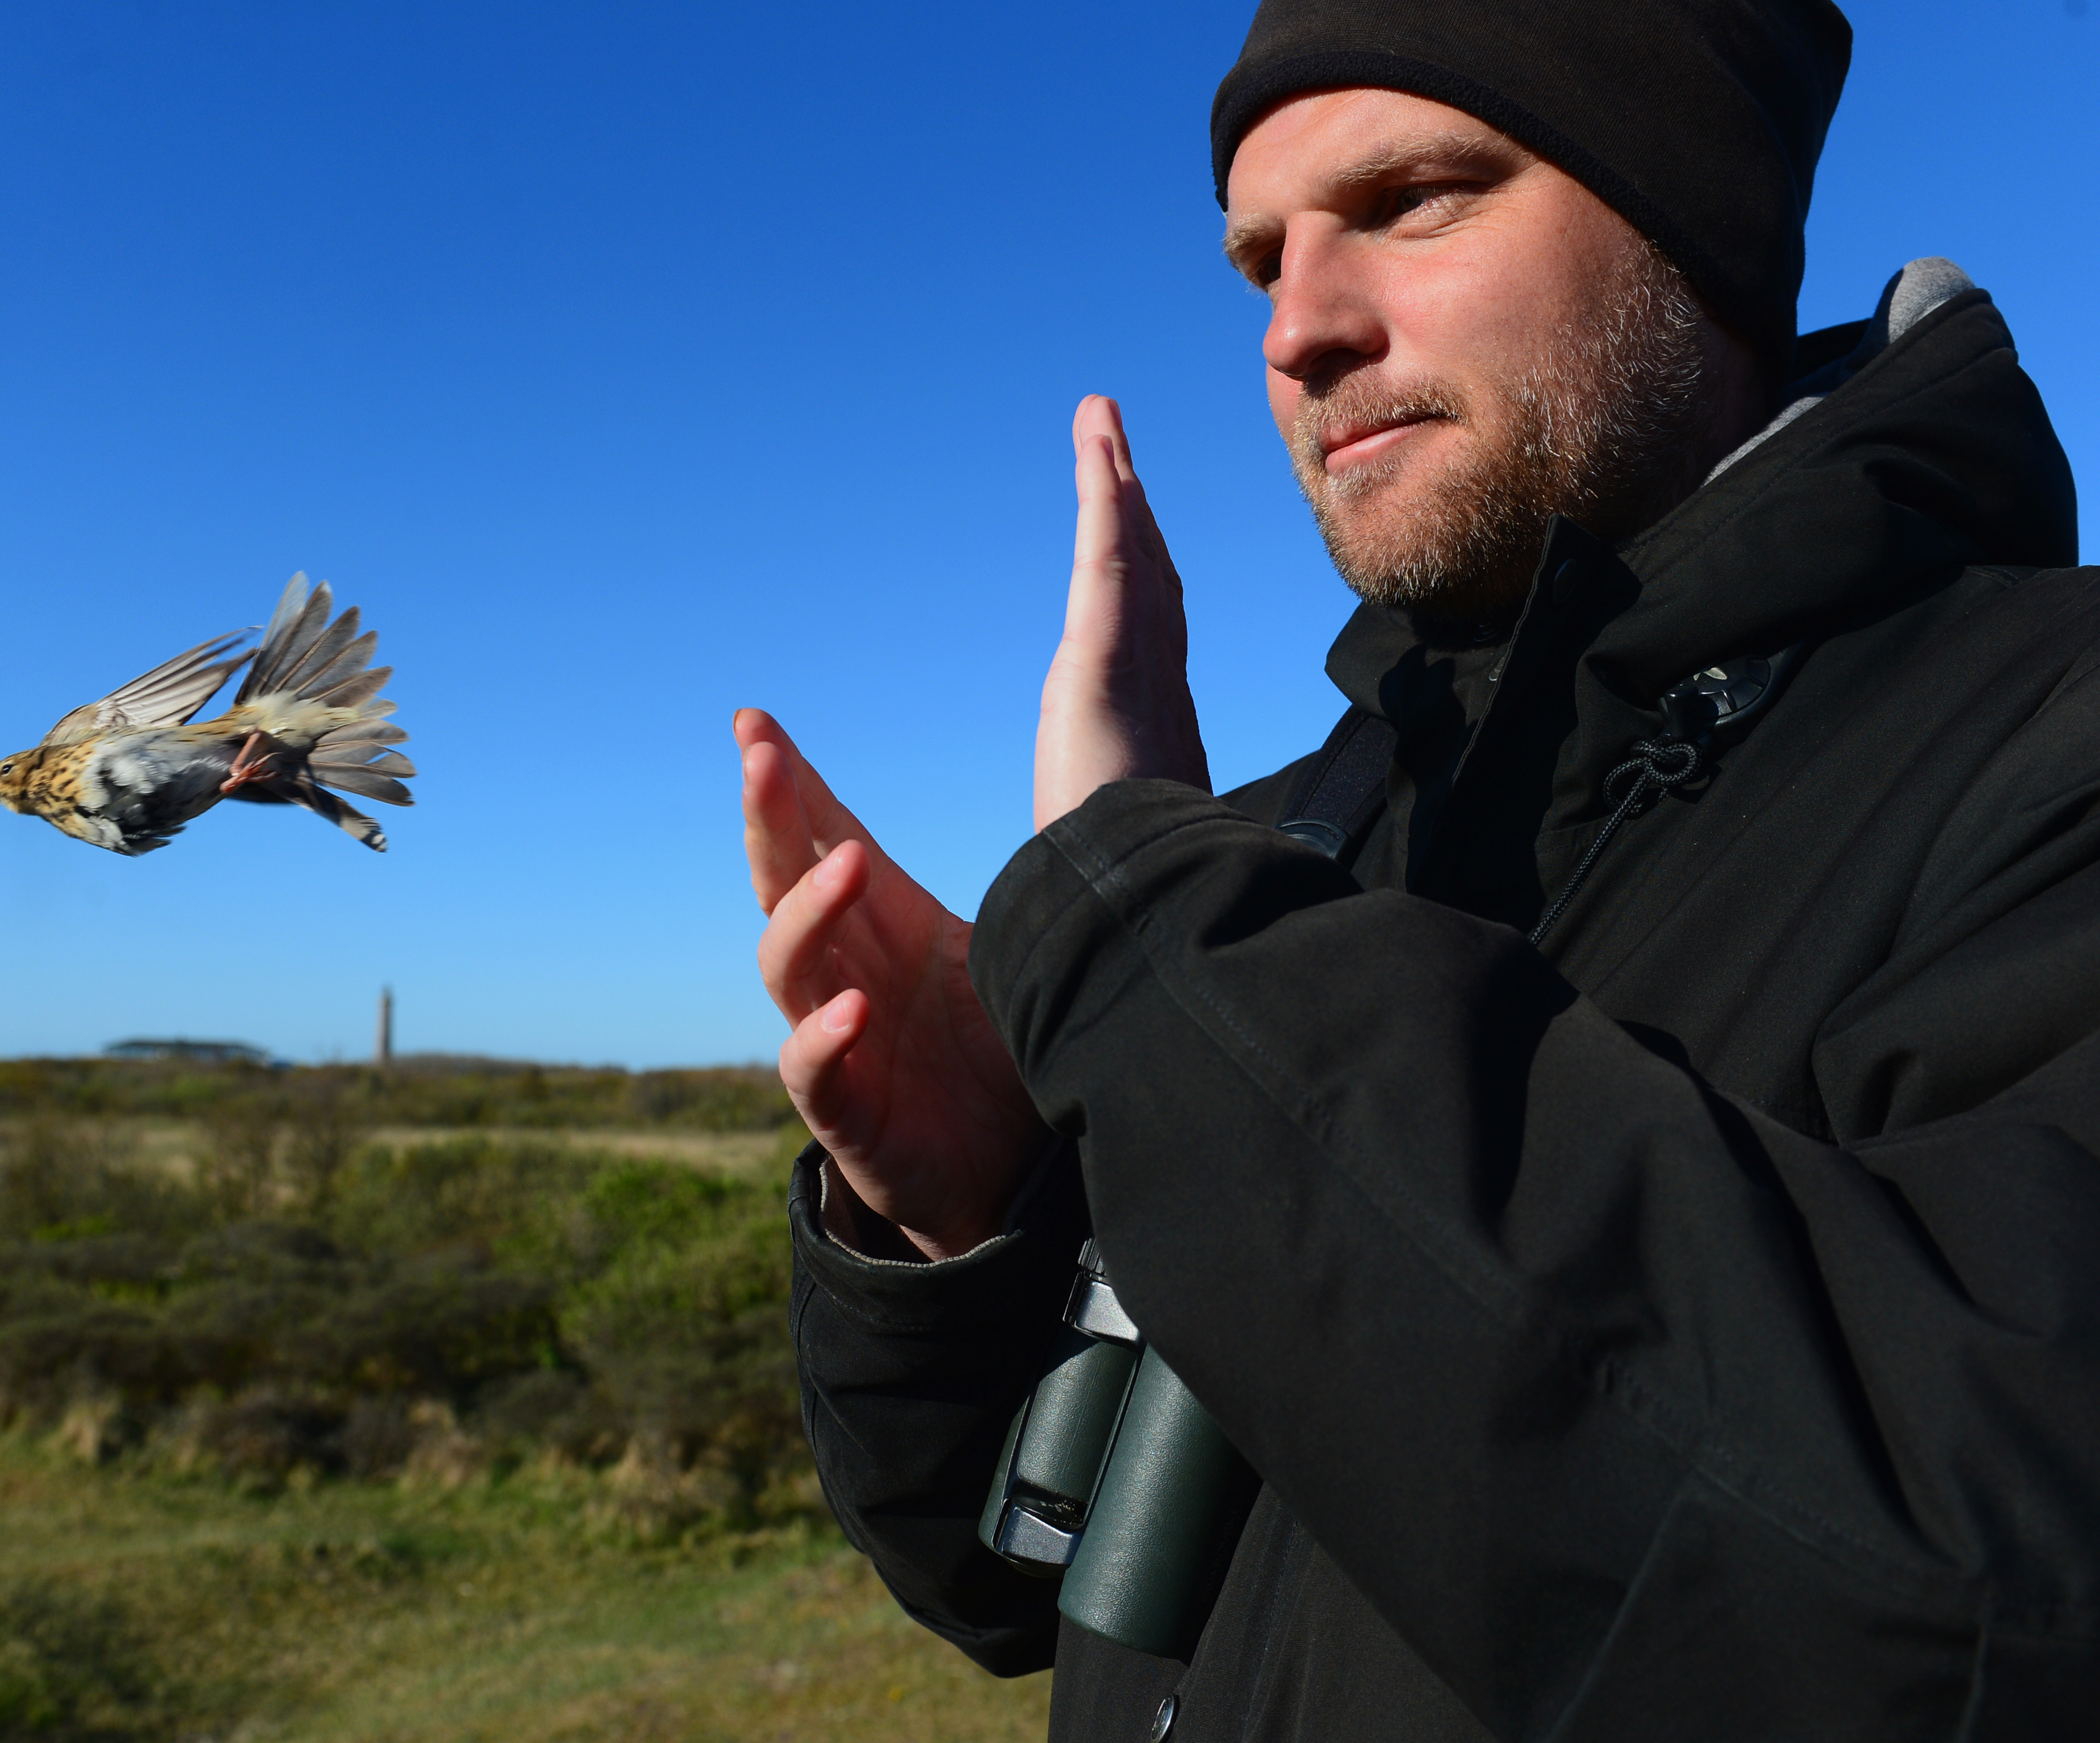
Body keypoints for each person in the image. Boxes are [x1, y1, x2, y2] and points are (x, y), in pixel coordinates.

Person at [735, 0, 2100, 1735]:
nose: (1300, 328)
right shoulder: (1311, 836)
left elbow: (1982, 1600)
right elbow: (1020, 1587)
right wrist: (965, 1226)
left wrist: (1145, 928)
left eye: (1418, 197)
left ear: (1692, 227)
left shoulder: (2043, 742)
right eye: (1260, 262)